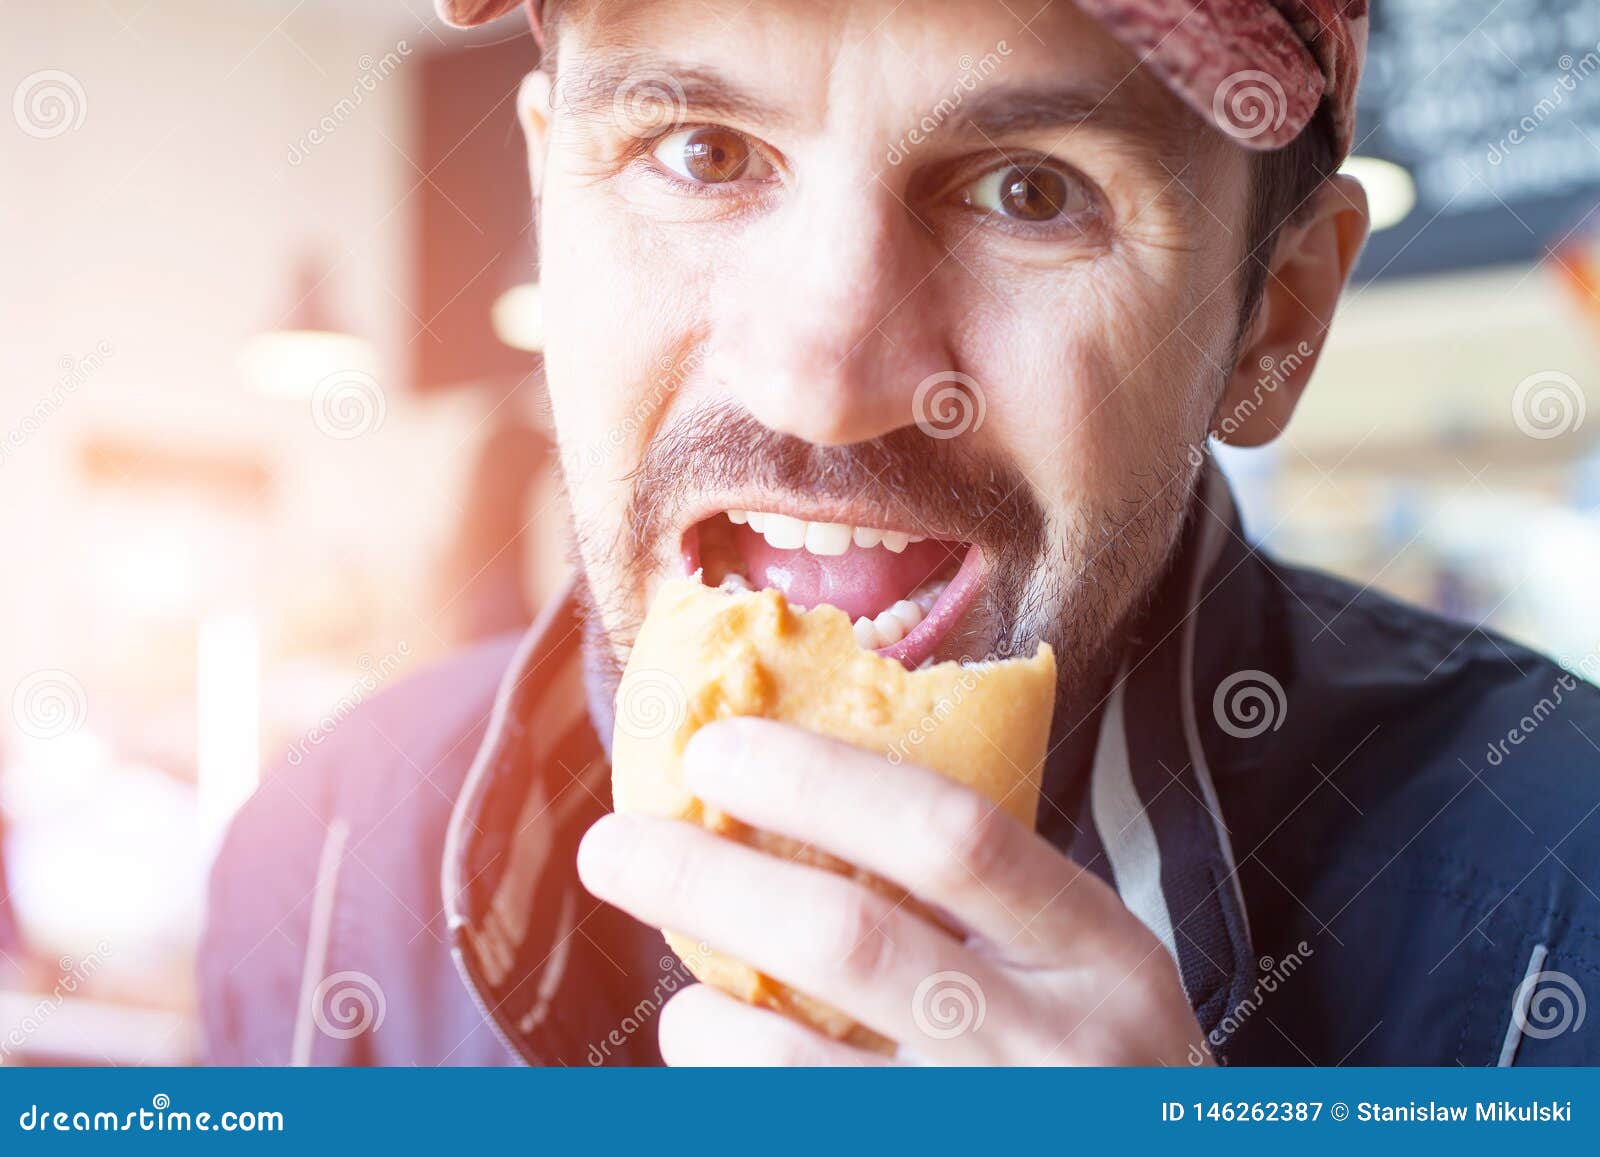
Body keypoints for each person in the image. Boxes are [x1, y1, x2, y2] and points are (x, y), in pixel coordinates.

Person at [202, 0, 1600, 1066]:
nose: (824, 375)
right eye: (700, 152)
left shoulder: (1562, 889)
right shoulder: (315, 869)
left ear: (1278, 318)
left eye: (1031, 189)